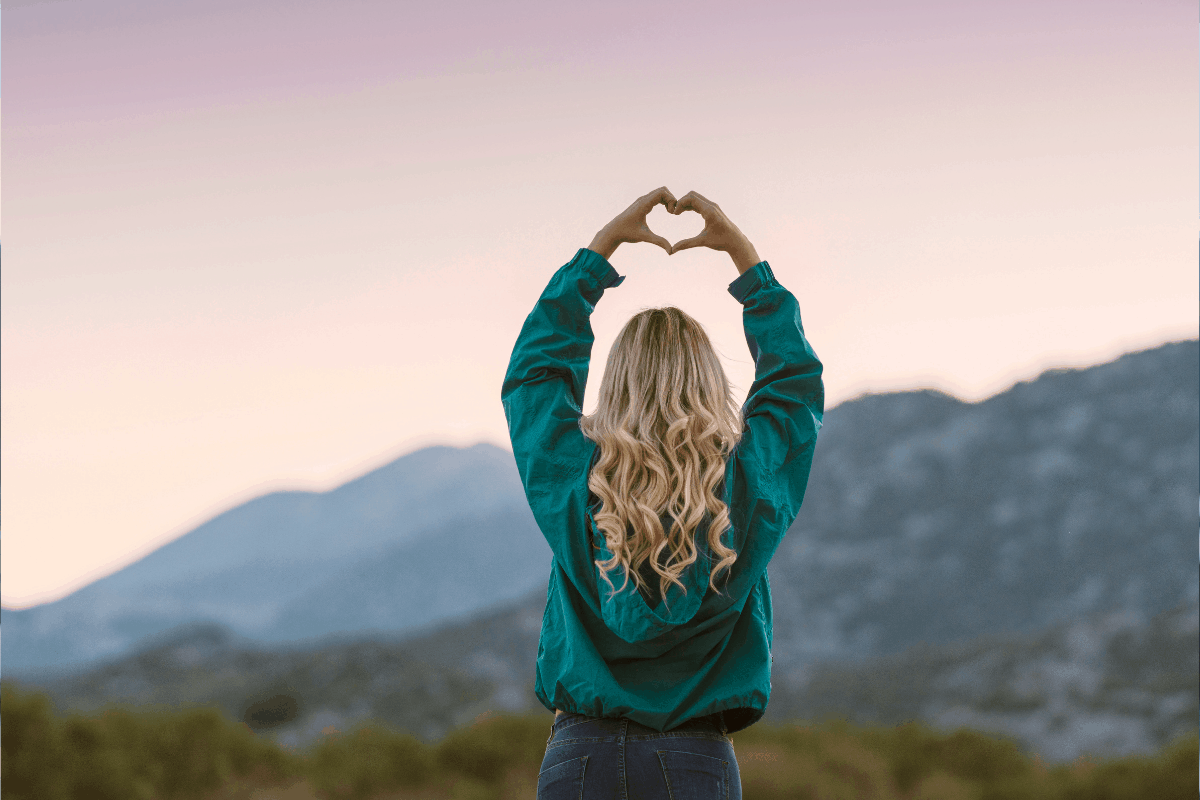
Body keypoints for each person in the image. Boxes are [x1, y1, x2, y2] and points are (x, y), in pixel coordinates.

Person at [500, 187, 824, 800]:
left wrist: (596, 258)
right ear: (708, 385)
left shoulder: (576, 480)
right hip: (695, 761)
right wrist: (747, 263)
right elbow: (794, 388)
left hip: (581, 760)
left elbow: (534, 379)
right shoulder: (746, 489)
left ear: (616, 387)